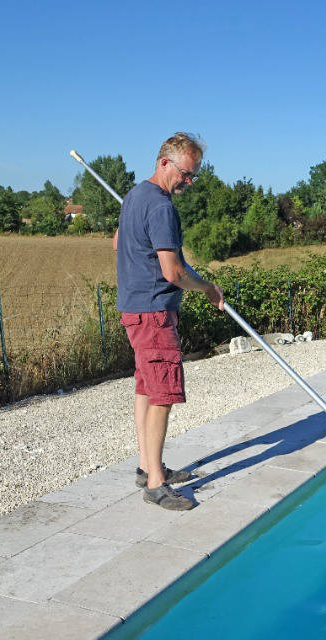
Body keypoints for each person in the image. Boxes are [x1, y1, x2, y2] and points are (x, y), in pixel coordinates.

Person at [115, 133, 223, 510]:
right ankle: (156, 486)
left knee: (146, 389)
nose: (188, 183)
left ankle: (148, 466)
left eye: (193, 177)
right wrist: (207, 287)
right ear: (165, 162)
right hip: (155, 311)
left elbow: (118, 243)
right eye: (185, 174)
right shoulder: (161, 208)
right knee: (162, 395)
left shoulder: (134, 196)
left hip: (134, 310)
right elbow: (173, 271)